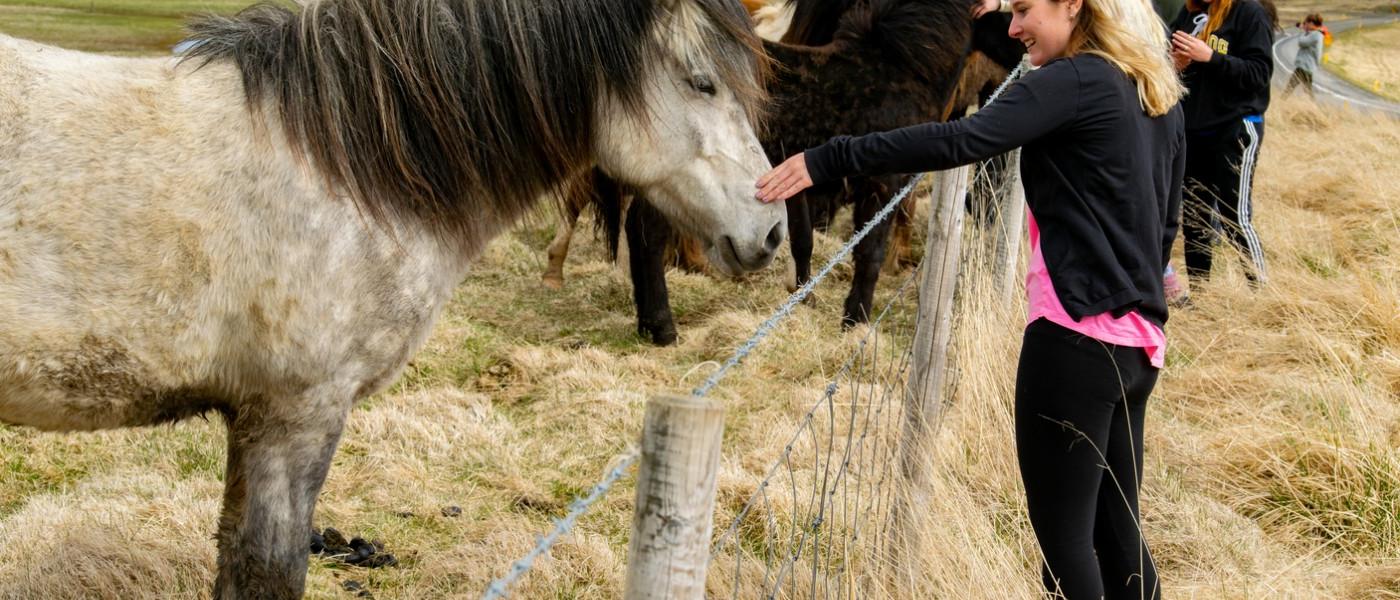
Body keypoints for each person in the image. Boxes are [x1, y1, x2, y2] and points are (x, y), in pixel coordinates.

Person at [755, 0, 1183, 596]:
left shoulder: (1073, 79)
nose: (1011, 29)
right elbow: (1165, 224)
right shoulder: (1153, 92)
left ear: (1074, 6)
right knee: (1119, 536)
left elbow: (962, 139)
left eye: (1025, 10)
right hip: (1139, 347)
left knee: (1066, 548)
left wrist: (829, 155)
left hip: (1075, 346)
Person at [1169, 0, 1274, 287]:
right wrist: (1174, 63)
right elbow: (1170, 62)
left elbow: (1259, 74)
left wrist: (1210, 57)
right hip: (1194, 131)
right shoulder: (1190, 13)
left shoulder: (1249, 13)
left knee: (1235, 217)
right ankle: (1203, 296)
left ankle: (1262, 291)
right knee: (1194, 219)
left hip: (1236, 128)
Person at [1285, 13, 1325, 97]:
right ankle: (1312, 107)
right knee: (1306, 91)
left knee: (1290, 87)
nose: (1305, 25)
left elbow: (1302, 42)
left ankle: (1282, 100)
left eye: (1306, 23)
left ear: (1311, 24)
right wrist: (1306, 31)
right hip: (1306, 66)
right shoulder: (1315, 34)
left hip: (1305, 66)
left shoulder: (1316, 35)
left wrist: (1302, 31)